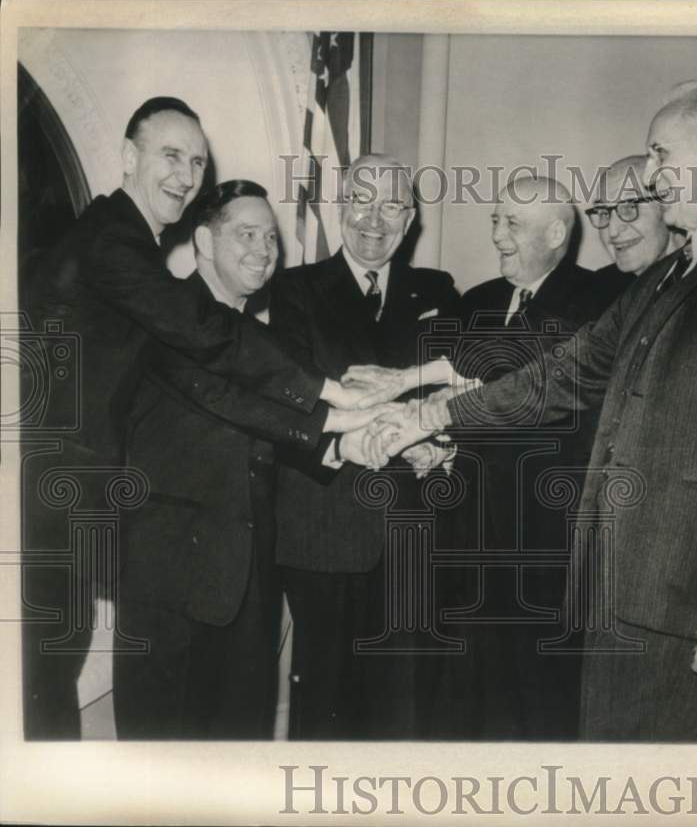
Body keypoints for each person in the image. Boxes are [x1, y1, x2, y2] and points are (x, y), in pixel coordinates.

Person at [359, 78, 697, 742]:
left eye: (661, 155)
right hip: (623, 591)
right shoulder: (665, 278)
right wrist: (431, 417)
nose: (652, 175)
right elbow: (560, 374)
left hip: (691, 597)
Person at [20, 97, 391, 739]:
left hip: (71, 508)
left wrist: (329, 425)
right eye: (171, 155)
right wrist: (329, 395)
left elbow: (222, 388)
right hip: (66, 509)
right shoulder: (114, 242)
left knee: (48, 693)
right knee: (44, 702)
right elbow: (205, 340)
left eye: (196, 160)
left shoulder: (121, 244)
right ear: (129, 157)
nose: (187, 174)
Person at [112, 181, 393, 738]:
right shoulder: (167, 317)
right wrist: (336, 418)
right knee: (160, 782)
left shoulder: (265, 344)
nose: (264, 249)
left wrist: (345, 444)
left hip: (250, 593)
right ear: (203, 242)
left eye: (270, 237)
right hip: (172, 596)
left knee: (240, 769)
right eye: (246, 234)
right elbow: (229, 401)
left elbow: (271, 433)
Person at [269, 153, 461, 740]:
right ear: (339, 207)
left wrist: (438, 440)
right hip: (325, 527)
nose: (374, 219)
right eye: (362, 201)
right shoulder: (295, 290)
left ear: (410, 220)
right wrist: (409, 421)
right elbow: (298, 396)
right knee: (326, 704)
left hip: (410, 532)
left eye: (392, 206)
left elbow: (453, 387)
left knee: (402, 708)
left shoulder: (437, 289)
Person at [427, 175, 618, 740]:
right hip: (466, 536)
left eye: (512, 223)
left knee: (538, 707)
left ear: (557, 232)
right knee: (465, 702)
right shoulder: (476, 301)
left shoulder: (598, 300)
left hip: (543, 544)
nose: (497, 236)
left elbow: (525, 386)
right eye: (495, 220)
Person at [586, 154, 686, 305]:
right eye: (603, 212)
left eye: (629, 207)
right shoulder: (600, 289)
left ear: (667, 205)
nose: (612, 231)